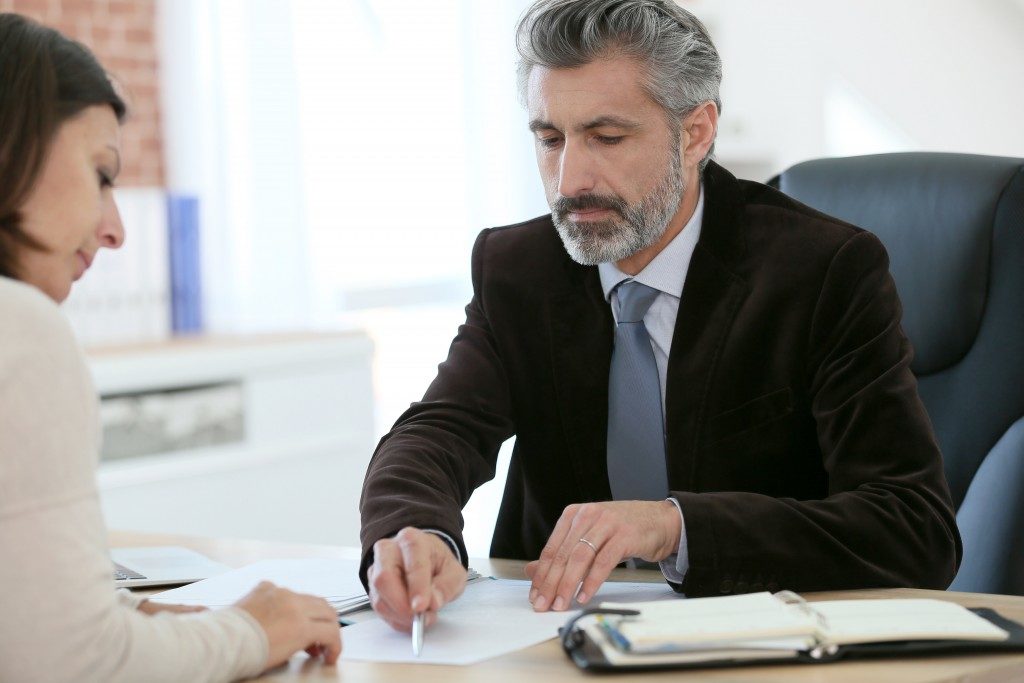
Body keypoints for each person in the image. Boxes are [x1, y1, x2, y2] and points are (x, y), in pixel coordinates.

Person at [359, 0, 961, 633]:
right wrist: (415, 534)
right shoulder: (519, 267)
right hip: (556, 638)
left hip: (760, 639)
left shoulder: (823, 271)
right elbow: (438, 432)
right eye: (550, 138)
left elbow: (913, 527)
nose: (570, 180)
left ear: (696, 132)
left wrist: (675, 525)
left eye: (607, 137)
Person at [0, 14, 340, 682]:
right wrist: (252, 629)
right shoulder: (21, 327)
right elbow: (81, 665)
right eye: (101, 174)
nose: (115, 230)